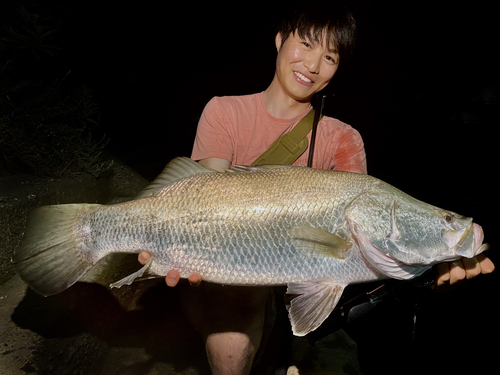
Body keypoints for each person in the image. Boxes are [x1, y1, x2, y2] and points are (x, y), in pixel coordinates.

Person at [138, 5, 495, 374]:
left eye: (329, 57)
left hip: (289, 284)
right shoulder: (223, 112)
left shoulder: (343, 138)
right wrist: (170, 242)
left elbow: (361, 253)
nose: (312, 65)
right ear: (279, 40)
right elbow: (200, 196)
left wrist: (426, 273)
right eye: (305, 45)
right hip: (222, 279)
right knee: (236, 303)